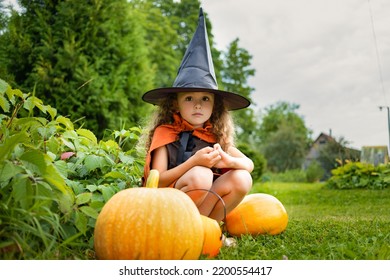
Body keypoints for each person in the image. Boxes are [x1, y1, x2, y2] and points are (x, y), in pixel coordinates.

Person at [141, 8, 253, 223]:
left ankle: (208, 227)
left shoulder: (214, 135)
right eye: (189, 98)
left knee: (241, 178)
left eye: (205, 99)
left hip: (201, 208)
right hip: (166, 206)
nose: (198, 105)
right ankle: (182, 229)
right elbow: (157, 181)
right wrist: (193, 162)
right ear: (176, 103)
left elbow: (248, 164)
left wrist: (228, 159)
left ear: (215, 106)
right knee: (200, 175)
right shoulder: (166, 133)